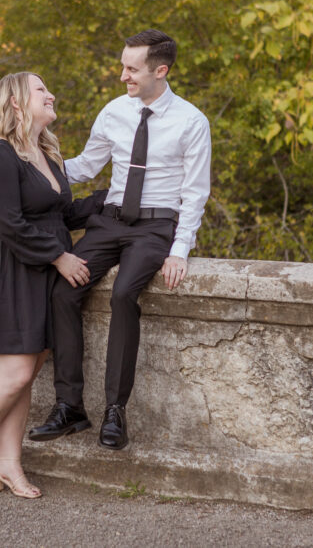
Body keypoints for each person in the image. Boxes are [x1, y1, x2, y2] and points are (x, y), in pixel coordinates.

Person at [29, 29, 212, 450]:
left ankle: (116, 411)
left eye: (132, 69)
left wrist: (180, 249)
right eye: (124, 66)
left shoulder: (191, 122)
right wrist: (29, 162)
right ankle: (70, 407)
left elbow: (195, 191)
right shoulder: (114, 111)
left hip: (154, 227)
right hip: (109, 221)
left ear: (160, 71)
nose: (123, 76)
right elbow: (86, 167)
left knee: (124, 294)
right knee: (63, 291)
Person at [0, 72, 106, 498]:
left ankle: (9, 462)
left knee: (26, 373)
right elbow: (8, 222)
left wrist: (116, 197)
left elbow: (64, 215)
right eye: (41, 90)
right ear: (16, 102)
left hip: (40, 274)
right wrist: (59, 256)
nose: (51, 94)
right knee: (14, 372)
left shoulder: (45, 156)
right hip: (10, 268)